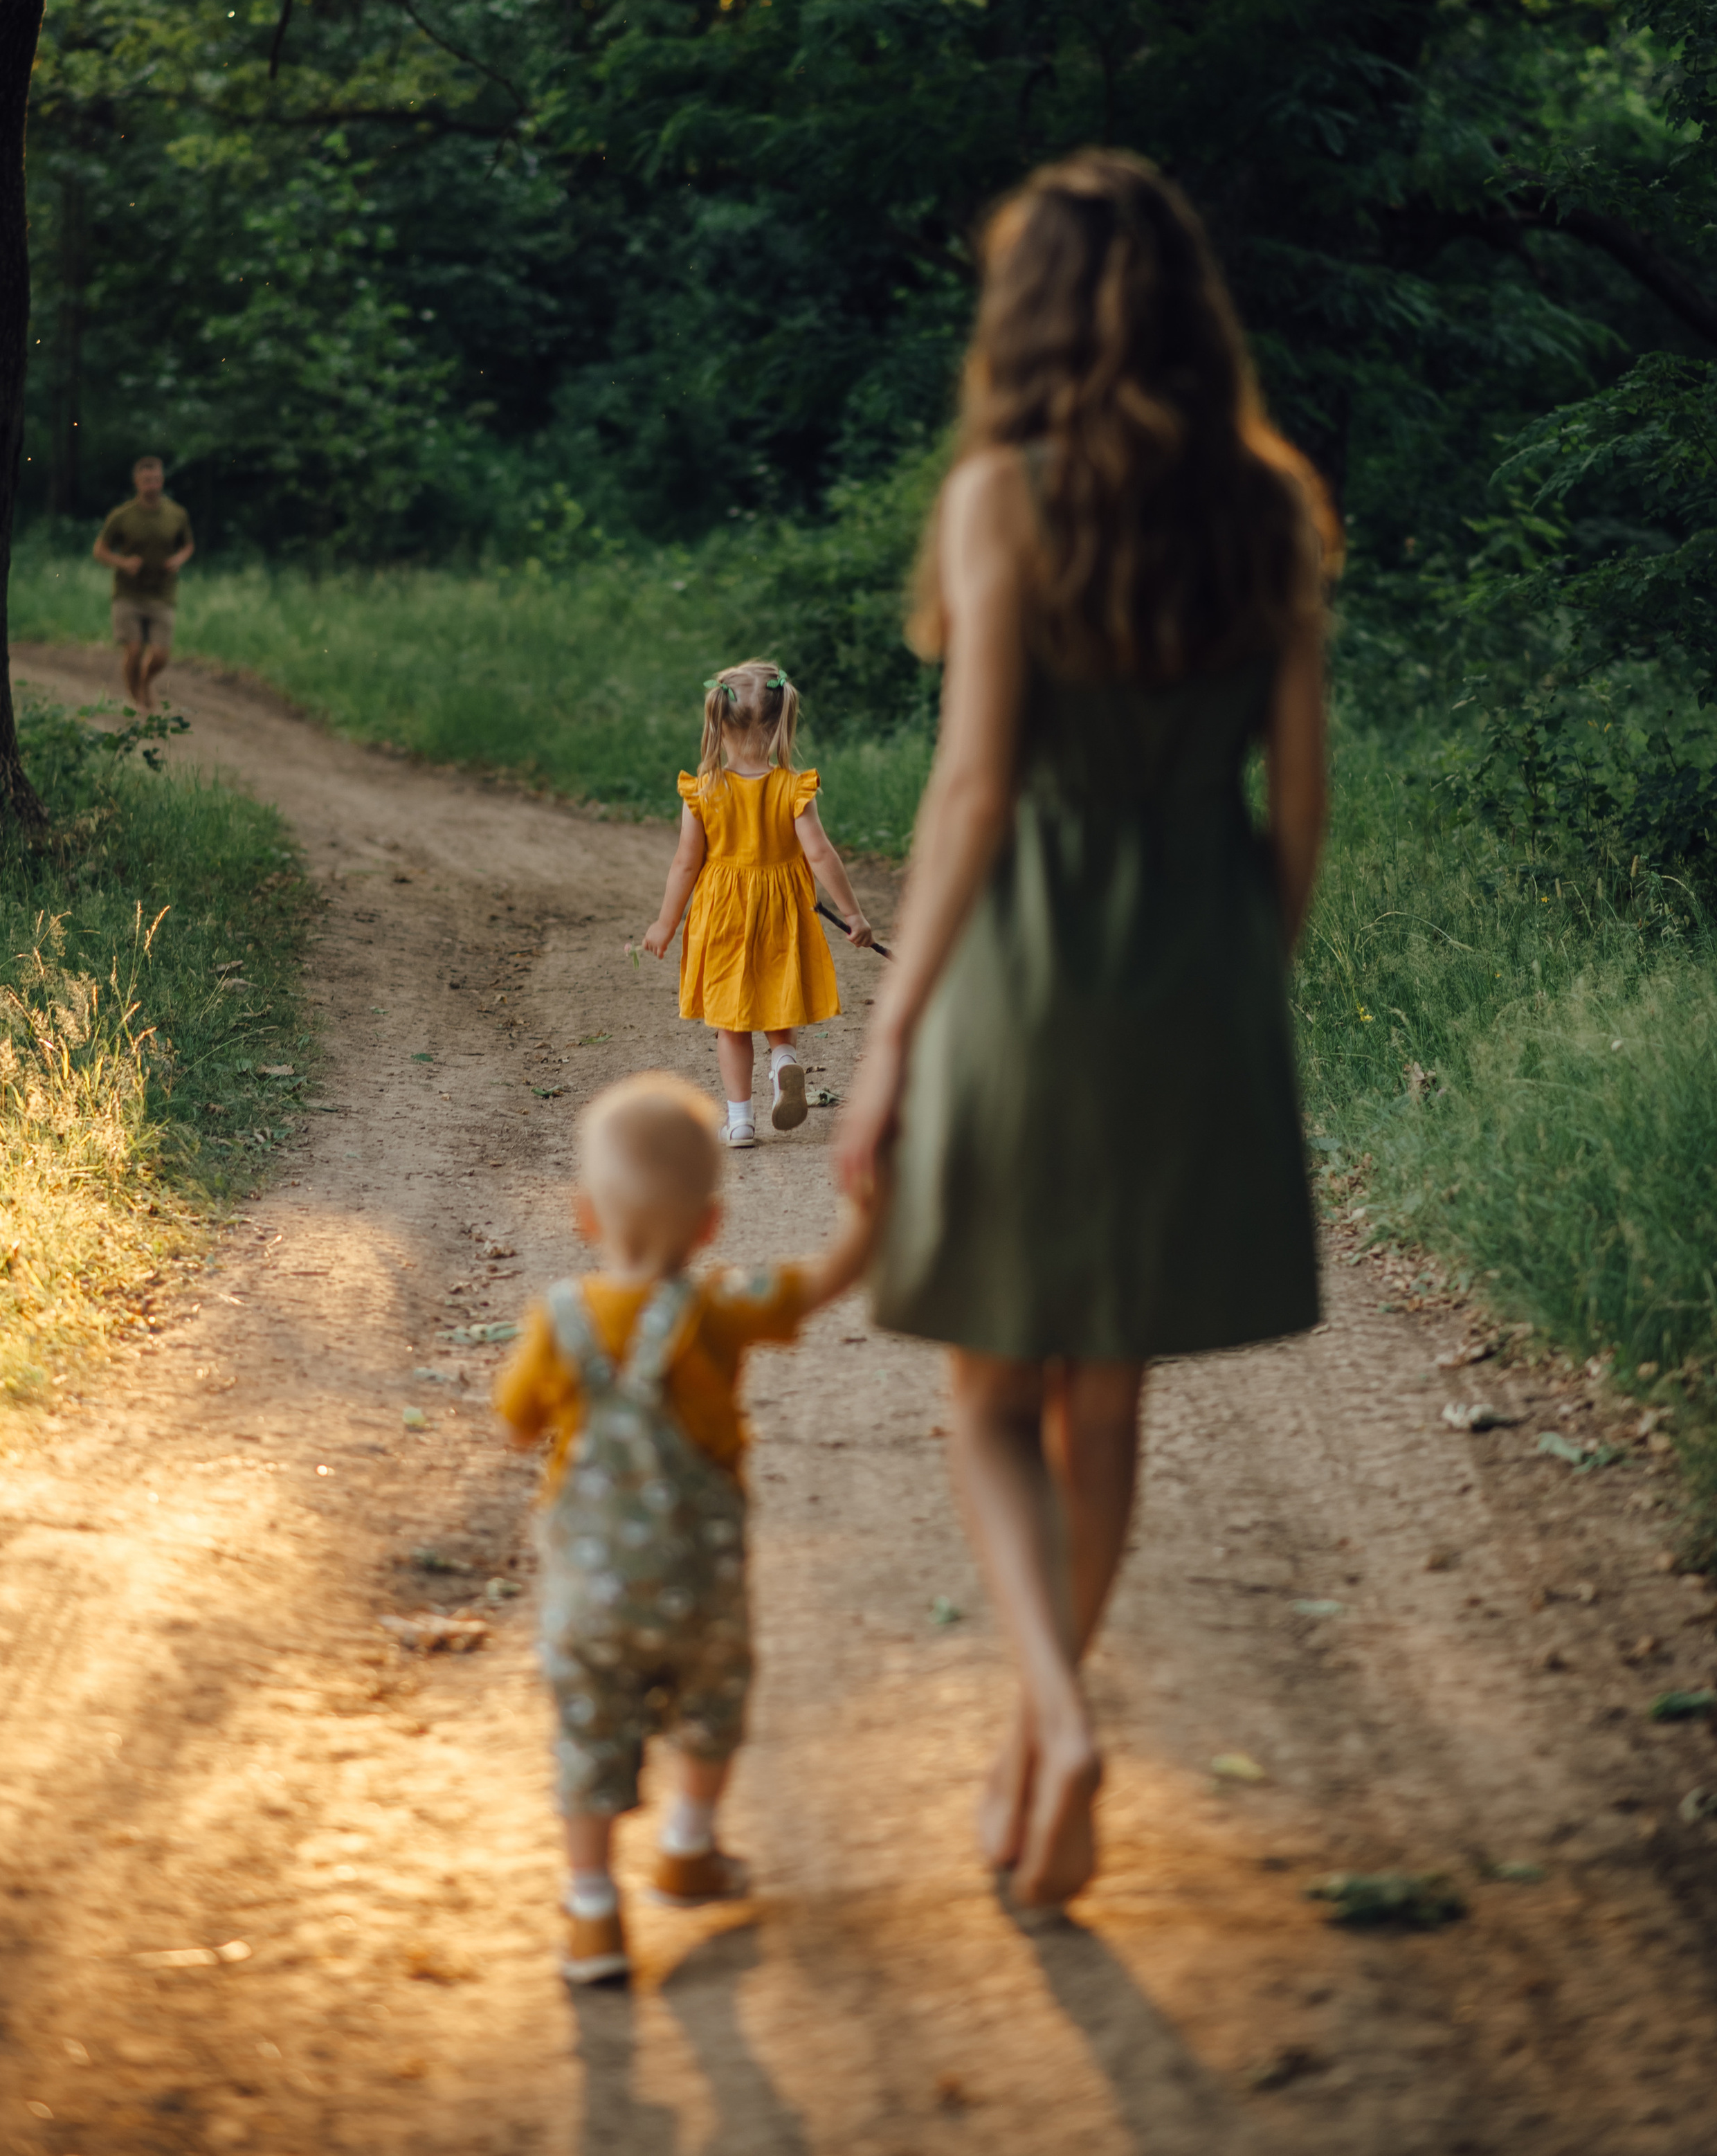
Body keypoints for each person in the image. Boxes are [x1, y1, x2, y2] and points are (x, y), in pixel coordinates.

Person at [835, 150, 1338, 1912]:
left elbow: (971, 785)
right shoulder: (1269, 506)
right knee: (1103, 1396)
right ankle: (1032, 1746)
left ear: (1028, 309)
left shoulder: (1000, 498)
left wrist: (892, 1030)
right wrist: (1230, 978)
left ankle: (1052, 1714)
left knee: (986, 1392)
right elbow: (1296, 802)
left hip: (1023, 975)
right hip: (1196, 970)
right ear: (1191, 309)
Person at [496, 1071, 880, 1985]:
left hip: (594, 1598)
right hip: (700, 1591)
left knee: (590, 1738)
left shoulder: (560, 1321)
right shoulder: (716, 1308)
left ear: (584, 1215)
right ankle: (688, 1845)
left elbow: (514, 1422)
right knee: (712, 1709)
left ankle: (592, 1911)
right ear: (710, 1226)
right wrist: (869, 1209)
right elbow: (827, 1280)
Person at [643, 660, 875, 1147]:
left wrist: (667, 922)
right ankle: (785, 1060)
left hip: (723, 912)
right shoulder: (794, 787)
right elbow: (820, 853)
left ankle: (740, 1119)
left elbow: (685, 864)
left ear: (717, 724)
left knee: (731, 1022)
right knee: (775, 995)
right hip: (783, 909)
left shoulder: (703, 790)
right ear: (779, 724)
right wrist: (852, 914)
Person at [91, 454, 194, 714]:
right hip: (128, 593)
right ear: (137, 482)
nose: (153, 485)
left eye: (157, 480)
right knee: (134, 650)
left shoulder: (177, 514)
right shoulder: (122, 516)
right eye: (147, 481)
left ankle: (145, 685)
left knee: (160, 656)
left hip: (163, 593)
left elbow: (189, 545)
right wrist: (122, 563)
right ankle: (137, 700)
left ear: (162, 481)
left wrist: (179, 559)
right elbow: (100, 550)